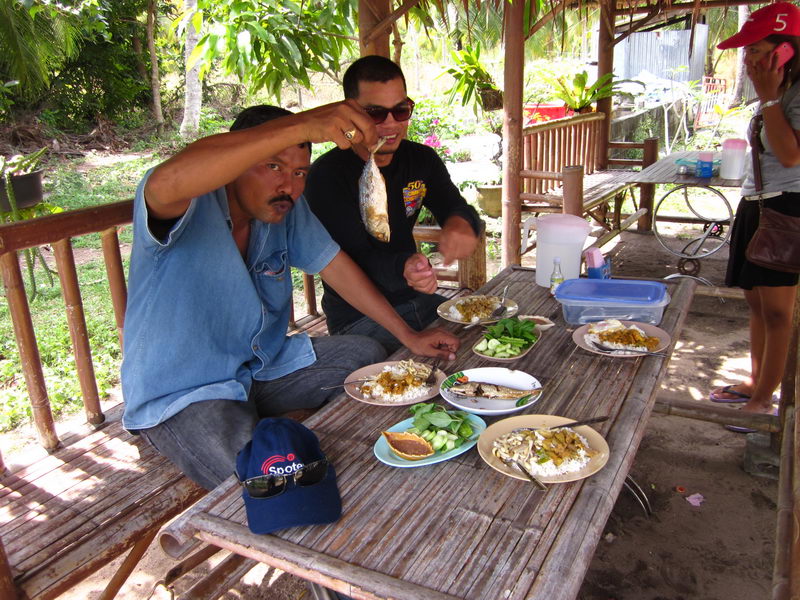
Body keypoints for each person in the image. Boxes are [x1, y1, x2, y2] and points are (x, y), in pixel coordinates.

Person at [121, 103, 460, 491]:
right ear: (235, 163)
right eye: (273, 167)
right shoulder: (185, 201)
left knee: (364, 356)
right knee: (268, 481)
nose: (289, 186)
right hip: (185, 392)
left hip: (261, 368)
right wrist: (301, 124)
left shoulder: (285, 210)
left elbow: (334, 265)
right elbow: (166, 180)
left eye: (300, 172)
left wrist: (408, 336)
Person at [305, 55, 483, 353]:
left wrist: (461, 223)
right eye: (376, 113)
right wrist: (405, 265)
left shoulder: (421, 160)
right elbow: (352, 259)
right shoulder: (327, 175)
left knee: (484, 343)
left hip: (419, 301)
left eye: (401, 110)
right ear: (351, 113)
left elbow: (455, 206)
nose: (391, 123)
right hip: (357, 318)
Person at [711, 2, 800, 426]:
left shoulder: (789, 92)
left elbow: (789, 154)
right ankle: (756, 381)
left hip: (788, 205)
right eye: (746, 50)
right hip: (759, 201)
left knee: (779, 310)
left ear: (786, 50)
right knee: (755, 301)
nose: (747, 58)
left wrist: (771, 97)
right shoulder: (781, 90)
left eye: (757, 48)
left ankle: (764, 400)